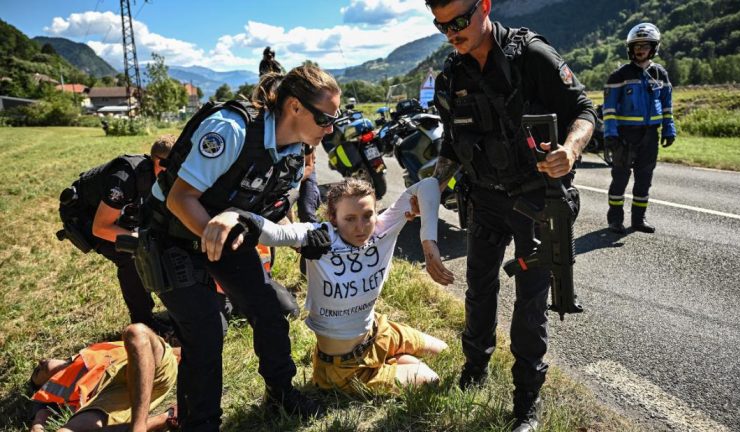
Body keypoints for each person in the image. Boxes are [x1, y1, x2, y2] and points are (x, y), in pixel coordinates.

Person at [425, 1, 596, 430]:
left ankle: (525, 405)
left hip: (535, 202)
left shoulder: (531, 56)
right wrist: (433, 184)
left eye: (460, 21)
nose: (452, 33)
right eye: (441, 25)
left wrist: (570, 151)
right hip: (483, 199)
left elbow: (586, 110)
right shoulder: (452, 75)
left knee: (530, 304)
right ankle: (474, 369)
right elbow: (451, 143)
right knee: (479, 290)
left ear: (484, 6)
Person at [144, 65, 341, 429]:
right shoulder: (231, 129)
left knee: (270, 308)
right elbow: (179, 198)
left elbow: (268, 212)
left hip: (223, 232)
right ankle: (199, 424)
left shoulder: (296, 153)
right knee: (206, 329)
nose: (331, 128)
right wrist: (216, 232)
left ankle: (282, 394)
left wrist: (300, 239)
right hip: (173, 233)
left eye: (335, 119)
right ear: (295, 107)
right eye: (326, 118)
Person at [202, 177, 453, 395]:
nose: (361, 227)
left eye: (368, 215)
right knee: (432, 380)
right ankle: (386, 366)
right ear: (333, 218)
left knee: (444, 351)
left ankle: (390, 359)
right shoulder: (319, 237)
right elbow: (275, 234)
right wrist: (237, 214)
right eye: (349, 218)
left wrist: (428, 243)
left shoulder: (382, 228)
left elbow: (429, 185)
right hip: (343, 367)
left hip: (379, 332)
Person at [56, 135, 176, 335]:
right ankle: (143, 323)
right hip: (86, 217)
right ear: (159, 163)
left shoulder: (159, 174)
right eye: (176, 166)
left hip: (117, 213)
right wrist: (142, 241)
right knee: (132, 255)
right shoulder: (125, 177)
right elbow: (101, 227)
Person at [28, 324, 179, 432]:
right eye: (38, 372)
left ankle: (138, 428)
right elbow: (42, 412)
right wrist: (37, 425)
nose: (40, 362)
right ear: (44, 383)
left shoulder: (88, 352)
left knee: (135, 332)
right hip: (112, 395)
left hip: (147, 365)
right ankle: (166, 418)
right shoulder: (54, 388)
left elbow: (161, 350)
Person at [603, 22, 676, 234]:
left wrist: (669, 129)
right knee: (620, 179)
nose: (640, 49)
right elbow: (609, 109)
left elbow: (667, 105)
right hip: (625, 136)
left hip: (650, 135)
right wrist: (610, 135)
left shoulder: (661, 74)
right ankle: (615, 219)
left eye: (645, 45)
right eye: (636, 46)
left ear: (653, 48)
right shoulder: (619, 76)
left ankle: (638, 219)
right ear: (630, 49)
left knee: (644, 179)